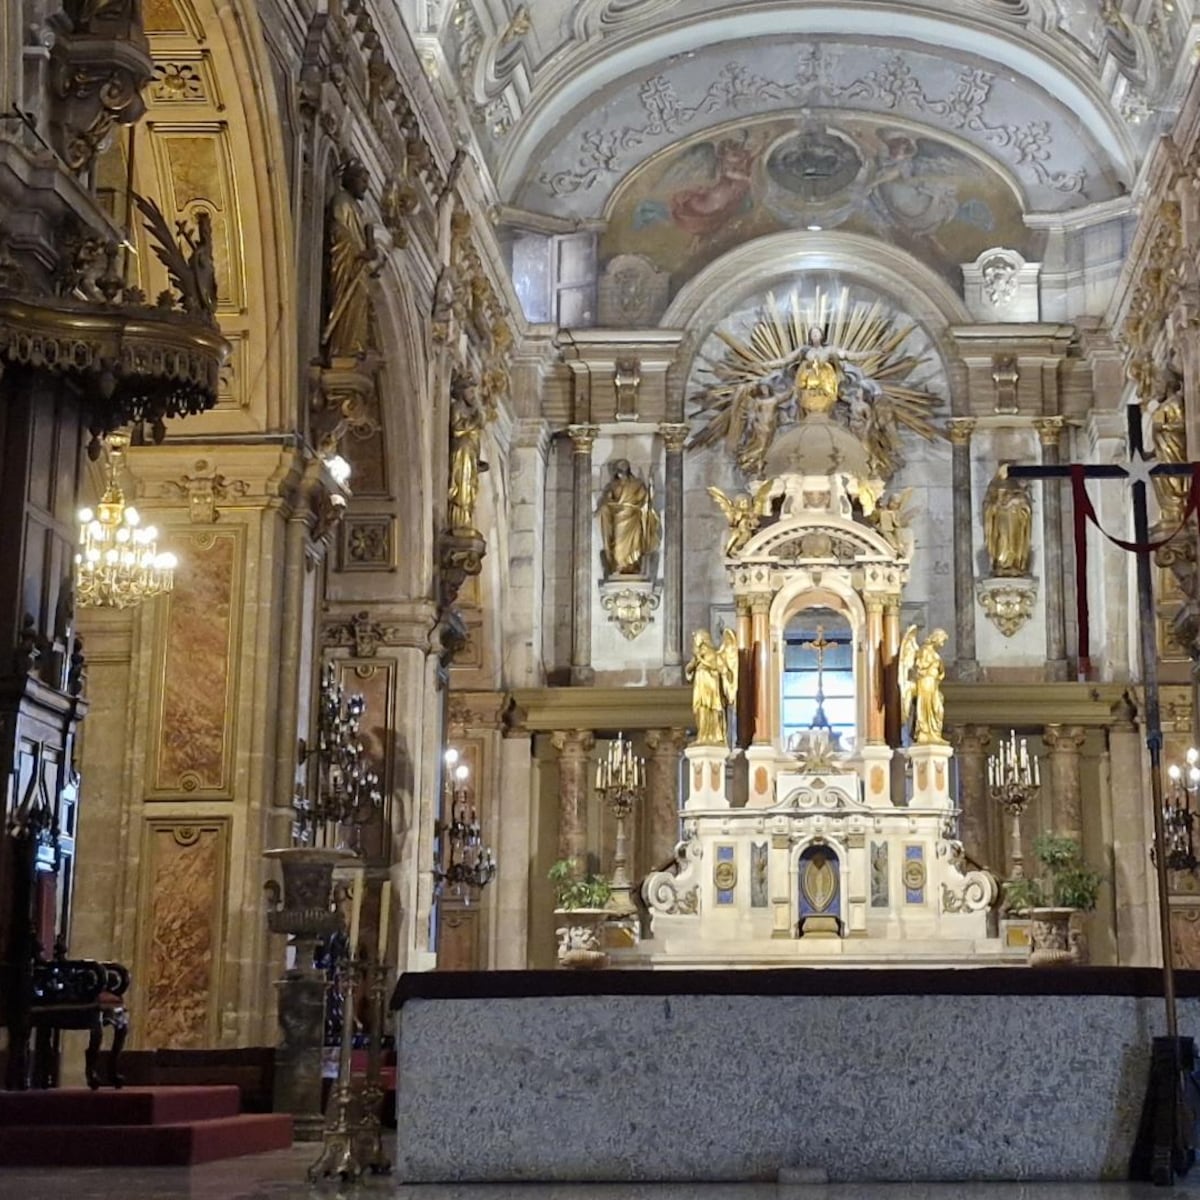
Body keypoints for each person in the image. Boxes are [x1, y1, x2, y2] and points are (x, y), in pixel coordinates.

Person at [322, 159, 377, 360]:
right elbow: (339, 231)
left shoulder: (357, 209)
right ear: (350, 180)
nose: (366, 186)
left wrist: (368, 251)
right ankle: (342, 347)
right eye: (363, 181)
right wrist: (361, 252)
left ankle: (354, 346)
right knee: (347, 303)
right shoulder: (342, 201)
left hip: (357, 268)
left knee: (359, 304)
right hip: (347, 265)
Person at [597, 460, 660, 577]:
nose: (621, 474)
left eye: (624, 471)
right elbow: (607, 501)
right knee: (617, 551)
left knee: (635, 547)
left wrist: (651, 486)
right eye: (619, 471)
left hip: (633, 518)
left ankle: (633, 566)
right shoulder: (613, 485)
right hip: (618, 518)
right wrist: (605, 508)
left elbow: (646, 500)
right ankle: (618, 566)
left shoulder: (637, 484)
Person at [448, 375, 484, 533]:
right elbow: (457, 429)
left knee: (470, 487)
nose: (473, 396)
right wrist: (476, 418)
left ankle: (465, 517)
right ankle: (459, 517)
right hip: (462, 453)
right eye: (470, 392)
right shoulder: (457, 408)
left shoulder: (470, 411)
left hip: (470, 454)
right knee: (462, 488)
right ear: (462, 393)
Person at [982, 467, 1033, 577]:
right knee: (1002, 540)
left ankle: (1015, 564)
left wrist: (1017, 502)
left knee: (1014, 541)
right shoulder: (995, 486)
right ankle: (1001, 564)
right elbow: (988, 506)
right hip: (1002, 519)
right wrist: (997, 505)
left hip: (1015, 521)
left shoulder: (1018, 490)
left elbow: (1026, 507)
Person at [913, 629, 949, 745]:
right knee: (927, 706)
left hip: (934, 684)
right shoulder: (924, 650)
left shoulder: (934, 652)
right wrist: (932, 665)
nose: (942, 644)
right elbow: (919, 666)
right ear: (936, 638)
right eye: (942, 640)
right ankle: (925, 732)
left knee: (938, 709)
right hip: (926, 683)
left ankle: (934, 733)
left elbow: (941, 671)